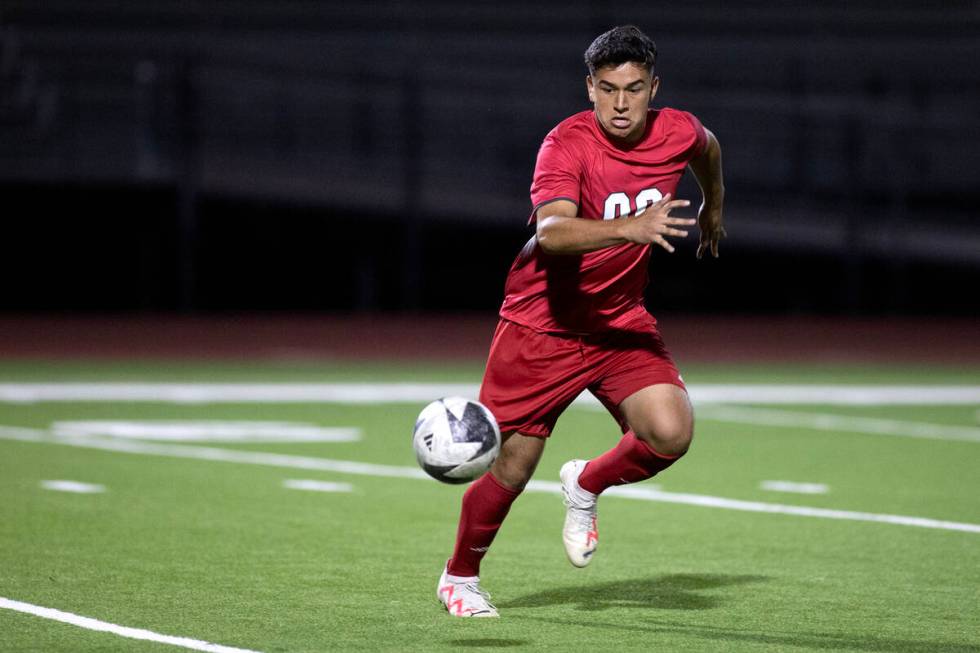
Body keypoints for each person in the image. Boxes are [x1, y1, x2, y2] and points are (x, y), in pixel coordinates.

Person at [437, 25, 726, 618]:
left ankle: (586, 483)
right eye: (608, 89)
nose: (621, 104)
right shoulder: (564, 144)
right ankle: (459, 579)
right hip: (542, 325)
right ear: (589, 88)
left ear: (655, 88)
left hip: (618, 322)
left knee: (671, 433)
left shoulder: (677, 128)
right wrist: (630, 227)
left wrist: (715, 207)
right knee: (513, 467)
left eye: (635, 89)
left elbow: (709, 148)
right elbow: (552, 232)